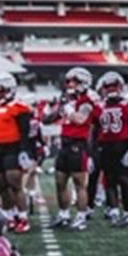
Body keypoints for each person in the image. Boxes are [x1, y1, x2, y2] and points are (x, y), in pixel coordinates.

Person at [43, 67, 96, 231]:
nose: (70, 85)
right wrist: (51, 108)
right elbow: (47, 120)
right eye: (69, 81)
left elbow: (80, 120)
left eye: (74, 81)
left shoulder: (86, 101)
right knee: (60, 182)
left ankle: (81, 218)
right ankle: (64, 214)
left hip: (78, 145)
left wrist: (67, 107)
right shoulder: (67, 100)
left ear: (83, 83)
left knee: (80, 184)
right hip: (64, 145)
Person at [0, 72, 32, 233]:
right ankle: (10, 216)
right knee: (0, 184)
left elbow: (25, 132)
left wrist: (24, 151)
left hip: (13, 147)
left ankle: (23, 217)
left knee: (14, 182)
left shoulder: (19, 107)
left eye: (0, 90)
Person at [92, 71, 128, 227]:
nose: (111, 89)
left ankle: (127, 213)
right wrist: (91, 154)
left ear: (121, 87)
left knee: (123, 181)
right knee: (109, 181)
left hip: (122, 145)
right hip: (105, 147)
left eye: (114, 86)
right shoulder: (99, 107)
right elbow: (93, 132)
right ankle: (114, 212)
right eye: (108, 87)